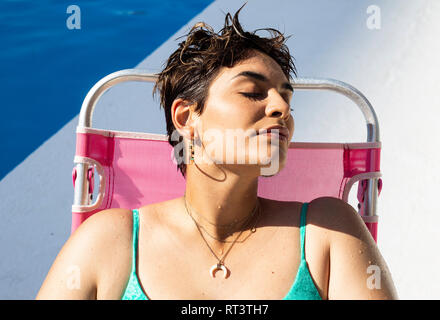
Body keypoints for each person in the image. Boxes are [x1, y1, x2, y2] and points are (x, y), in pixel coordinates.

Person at [36, 6, 398, 300]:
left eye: (286, 98)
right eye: (253, 93)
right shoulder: (109, 240)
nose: (281, 109)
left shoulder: (327, 231)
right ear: (186, 117)